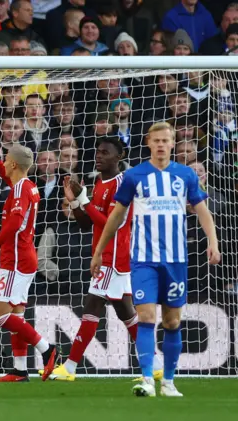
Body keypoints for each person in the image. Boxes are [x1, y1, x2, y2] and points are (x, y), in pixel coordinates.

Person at [90, 122, 221, 397]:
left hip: (175, 260)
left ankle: (169, 381)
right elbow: (116, 216)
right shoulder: (135, 176)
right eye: (156, 140)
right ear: (148, 142)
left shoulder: (185, 175)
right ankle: (148, 378)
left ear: (172, 143)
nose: (161, 145)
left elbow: (202, 210)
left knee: (172, 322)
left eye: (166, 140)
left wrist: (213, 241)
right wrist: (100, 250)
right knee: (147, 317)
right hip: (143, 260)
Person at [48, 137, 161, 382]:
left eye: (105, 152)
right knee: (125, 311)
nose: (98, 156)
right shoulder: (100, 182)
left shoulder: (123, 184)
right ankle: (155, 362)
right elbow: (86, 223)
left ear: (118, 157)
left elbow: (113, 223)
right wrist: (75, 201)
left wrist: (84, 200)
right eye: (97, 152)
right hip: (107, 253)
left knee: (92, 306)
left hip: (112, 255)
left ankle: (70, 366)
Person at [0, 138, 58, 383]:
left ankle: (47, 349)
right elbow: (10, 180)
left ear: (14, 164)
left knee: (0, 315)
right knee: (17, 316)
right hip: (24, 256)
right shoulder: (27, 185)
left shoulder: (21, 189)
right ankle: (20, 370)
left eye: (7, 160)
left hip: (16, 259)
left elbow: (14, 223)